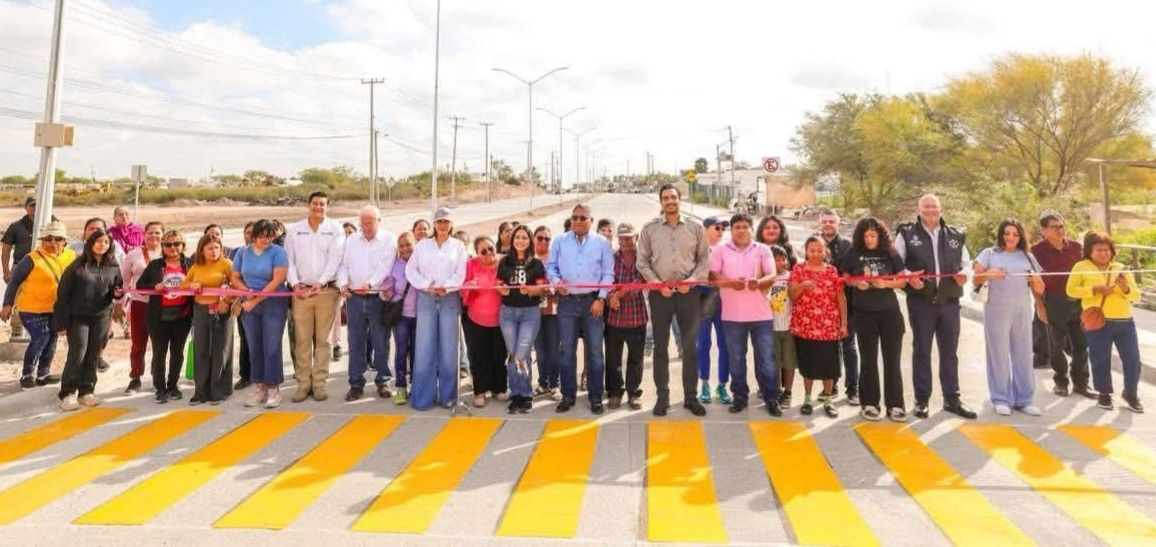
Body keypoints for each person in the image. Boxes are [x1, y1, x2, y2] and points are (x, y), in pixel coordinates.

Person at [895, 194, 977, 420]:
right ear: (919, 209)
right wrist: (909, 276)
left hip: (950, 302)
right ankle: (922, 399)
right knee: (922, 350)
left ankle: (952, 398)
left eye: (935, 207)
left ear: (941, 210)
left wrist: (965, 274)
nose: (931, 211)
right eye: (926, 207)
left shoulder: (955, 235)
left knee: (949, 352)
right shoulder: (906, 234)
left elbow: (967, 262)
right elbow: (897, 263)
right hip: (921, 302)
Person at [637, 184, 711, 417]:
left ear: (680, 199)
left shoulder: (695, 228)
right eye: (666, 197)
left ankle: (691, 397)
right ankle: (663, 397)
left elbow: (704, 260)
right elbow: (642, 262)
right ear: (661, 202)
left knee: (690, 348)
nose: (670, 201)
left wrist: (690, 281)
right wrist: (658, 284)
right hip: (661, 296)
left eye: (674, 197)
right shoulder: (649, 230)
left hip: (689, 295)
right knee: (660, 348)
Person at [709, 213, 781, 416]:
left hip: (762, 315)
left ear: (751, 229)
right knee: (737, 359)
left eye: (745, 226)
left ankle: (771, 398)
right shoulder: (720, 250)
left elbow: (772, 275)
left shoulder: (763, 249)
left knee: (766, 359)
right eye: (737, 227)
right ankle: (740, 397)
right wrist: (730, 283)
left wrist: (760, 282)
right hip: (732, 317)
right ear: (731, 230)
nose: (741, 230)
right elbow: (713, 275)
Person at [547, 203, 615, 414]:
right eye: (574, 217)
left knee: (595, 351)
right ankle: (568, 395)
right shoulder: (560, 241)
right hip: (567, 303)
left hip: (592, 303)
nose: (578, 221)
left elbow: (608, 273)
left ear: (591, 221)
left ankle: (596, 397)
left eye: (582, 218)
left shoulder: (602, 243)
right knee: (566, 351)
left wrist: (601, 299)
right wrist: (557, 281)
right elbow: (551, 267)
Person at [973, 219, 1045, 417]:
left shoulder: (1027, 257)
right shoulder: (989, 253)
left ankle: (1024, 399)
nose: (1010, 237)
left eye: (1015, 234)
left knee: (1023, 353)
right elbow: (975, 279)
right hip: (996, 310)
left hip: (1021, 311)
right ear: (1001, 234)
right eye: (1006, 233)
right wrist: (989, 274)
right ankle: (1001, 398)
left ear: (1020, 236)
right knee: (998, 353)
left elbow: (1040, 289)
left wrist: (1036, 280)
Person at [1067, 231, 1143, 413]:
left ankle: (1131, 394)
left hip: (1125, 322)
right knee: (1100, 359)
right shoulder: (1080, 267)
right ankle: (1104, 393)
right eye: (1099, 250)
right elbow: (1071, 290)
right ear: (1089, 251)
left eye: (1107, 250)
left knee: (1133, 360)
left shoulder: (1121, 267)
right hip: (1098, 322)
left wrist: (1124, 288)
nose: (1104, 253)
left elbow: (1136, 295)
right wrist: (1094, 289)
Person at [841, 218, 908, 422]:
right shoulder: (853, 252)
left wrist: (887, 285)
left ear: (880, 235)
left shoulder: (890, 252)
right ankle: (869, 403)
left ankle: (895, 405)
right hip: (864, 313)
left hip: (889, 313)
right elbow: (844, 276)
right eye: (866, 235)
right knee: (868, 360)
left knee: (892, 360)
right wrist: (855, 283)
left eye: (873, 235)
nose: (869, 239)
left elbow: (902, 280)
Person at [284, 191, 346, 403]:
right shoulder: (295, 230)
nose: (318, 207)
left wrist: (321, 281)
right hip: (302, 293)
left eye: (322, 204)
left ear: (328, 207)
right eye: (315, 203)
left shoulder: (335, 229)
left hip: (326, 292)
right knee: (302, 340)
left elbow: (335, 259)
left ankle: (319, 383)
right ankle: (303, 383)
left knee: (323, 340)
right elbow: (289, 260)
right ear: (308, 205)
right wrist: (295, 284)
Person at [54, 228, 125, 411]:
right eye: (98, 241)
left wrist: (117, 292)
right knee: (78, 352)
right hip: (78, 317)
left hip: (101, 317)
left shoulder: (113, 266)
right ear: (91, 243)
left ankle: (87, 391)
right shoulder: (77, 265)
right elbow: (63, 295)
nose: (102, 245)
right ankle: (68, 393)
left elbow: (116, 289)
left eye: (106, 242)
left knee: (94, 353)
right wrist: (61, 323)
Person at [406, 207, 468, 410]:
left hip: (449, 298)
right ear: (434, 224)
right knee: (424, 347)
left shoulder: (458, 246)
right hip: (426, 298)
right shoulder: (423, 245)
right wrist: (427, 285)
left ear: (451, 224)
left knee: (449, 349)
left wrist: (446, 287)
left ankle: (449, 397)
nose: (442, 225)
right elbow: (411, 270)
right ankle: (423, 397)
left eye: (446, 222)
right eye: (439, 221)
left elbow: (461, 273)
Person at [0, 220, 73, 389]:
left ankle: (43, 374)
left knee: (52, 339)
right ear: (42, 240)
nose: (52, 243)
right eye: (48, 239)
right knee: (42, 337)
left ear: (64, 241)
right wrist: (7, 305)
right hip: (31, 309)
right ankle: (27, 375)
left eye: (57, 239)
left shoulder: (70, 256)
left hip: (55, 309)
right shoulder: (31, 259)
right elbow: (14, 282)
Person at [1031, 212, 1095, 399]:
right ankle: (1061, 382)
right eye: (1055, 227)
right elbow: (1032, 280)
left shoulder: (1076, 247)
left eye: (1062, 226)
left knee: (1081, 345)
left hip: (1078, 302)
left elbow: (1087, 273)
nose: (1060, 230)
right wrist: (1040, 306)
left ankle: (1081, 384)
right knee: (1056, 345)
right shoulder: (1036, 251)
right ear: (1044, 231)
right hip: (1053, 301)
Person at [338, 205, 397, 401]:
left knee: (381, 342)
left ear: (378, 221)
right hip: (354, 299)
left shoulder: (388, 239)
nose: (365, 227)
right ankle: (356, 383)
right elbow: (344, 265)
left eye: (369, 222)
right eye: (362, 223)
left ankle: (383, 381)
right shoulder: (351, 240)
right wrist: (343, 284)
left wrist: (370, 283)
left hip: (377, 299)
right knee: (355, 343)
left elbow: (386, 266)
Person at [231, 219, 290, 409]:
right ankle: (259, 387)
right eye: (262, 237)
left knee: (271, 347)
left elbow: (277, 280)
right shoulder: (243, 252)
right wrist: (246, 292)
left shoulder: (278, 252)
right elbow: (235, 276)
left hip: (272, 303)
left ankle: (274, 389)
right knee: (254, 346)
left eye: (270, 237)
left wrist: (254, 300)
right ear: (254, 235)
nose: (266, 241)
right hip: (250, 303)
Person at [789, 236, 847, 418]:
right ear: (806, 251)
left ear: (825, 251)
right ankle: (807, 399)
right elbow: (791, 295)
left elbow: (840, 298)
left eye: (820, 250)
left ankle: (828, 400)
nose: (816, 254)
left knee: (829, 366)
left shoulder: (832, 271)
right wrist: (801, 286)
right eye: (812, 250)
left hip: (828, 327)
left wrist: (843, 323)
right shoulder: (798, 269)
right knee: (808, 365)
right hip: (805, 326)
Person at [137, 229, 193, 404]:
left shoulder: (190, 264)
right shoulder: (155, 265)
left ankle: (173, 385)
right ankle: (160, 388)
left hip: (182, 316)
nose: (172, 247)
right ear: (163, 247)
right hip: (158, 318)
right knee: (159, 353)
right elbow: (140, 286)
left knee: (177, 353)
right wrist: (155, 285)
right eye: (168, 244)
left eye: (177, 243)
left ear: (183, 246)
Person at [496, 225, 547, 413]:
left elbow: (542, 288)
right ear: (512, 240)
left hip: (529, 313)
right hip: (508, 313)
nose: (520, 240)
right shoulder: (504, 262)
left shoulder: (536, 263)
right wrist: (503, 289)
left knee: (522, 354)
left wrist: (531, 289)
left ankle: (526, 394)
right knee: (511, 354)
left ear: (530, 240)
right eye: (517, 237)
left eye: (524, 237)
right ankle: (515, 393)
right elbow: (498, 284)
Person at [180, 233, 235, 405]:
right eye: (210, 248)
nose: (214, 251)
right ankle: (201, 391)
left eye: (217, 248)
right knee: (201, 349)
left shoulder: (227, 264)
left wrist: (226, 301)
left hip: (222, 310)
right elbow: (183, 285)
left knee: (221, 349)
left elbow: (236, 285)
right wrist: (192, 285)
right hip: (201, 310)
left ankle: (219, 390)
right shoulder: (196, 266)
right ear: (202, 251)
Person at [817, 209, 858, 405]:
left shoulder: (849, 246)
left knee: (849, 347)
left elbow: (853, 274)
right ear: (820, 224)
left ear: (838, 224)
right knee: (828, 349)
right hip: (822, 307)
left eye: (831, 221)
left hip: (847, 305)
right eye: (824, 221)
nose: (828, 224)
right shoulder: (815, 245)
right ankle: (830, 386)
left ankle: (853, 388)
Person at [461, 236, 509, 407]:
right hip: (477, 318)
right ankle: (480, 391)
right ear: (477, 254)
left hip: (502, 318)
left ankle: (499, 388)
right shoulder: (471, 264)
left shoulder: (504, 261)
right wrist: (469, 286)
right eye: (483, 251)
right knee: (479, 355)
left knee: (499, 354)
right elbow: (463, 290)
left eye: (490, 248)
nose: (488, 253)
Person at [605, 223, 647, 410]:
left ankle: (633, 392)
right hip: (615, 317)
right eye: (621, 238)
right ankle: (615, 392)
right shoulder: (611, 258)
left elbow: (642, 280)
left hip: (636, 316)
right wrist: (609, 298)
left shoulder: (643, 258)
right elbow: (605, 279)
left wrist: (619, 294)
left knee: (636, 358)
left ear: (636, 238)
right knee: (613, 358)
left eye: (629, 237)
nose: (625, 241)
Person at [120, 221, 163, 394]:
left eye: (158, 233)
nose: (154, 236)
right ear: (144, 234)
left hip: (162, 305)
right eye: (150, 232)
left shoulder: (169, 253)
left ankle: (157, 377)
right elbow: (125, 281)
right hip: (139, 304)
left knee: (159, 343)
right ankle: (136, 377)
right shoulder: (134, 254)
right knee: (138, 343)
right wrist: (121, 303)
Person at [696, 216, 731, 405]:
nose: (720, 231)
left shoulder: (728, 248)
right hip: (702, 295)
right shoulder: (696, 247)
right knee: (703, 343)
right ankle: (704, 383)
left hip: (724, 296)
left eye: (723, 229)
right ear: (706, 229)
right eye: (716, 228)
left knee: (725, 343)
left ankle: (723, 384)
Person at [385, 232, 418, 405]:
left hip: (421, 316)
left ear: (415, 245)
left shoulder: (422, 263)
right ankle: (400, 386)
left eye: (408, 244)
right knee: (401, 351)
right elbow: (389, 284)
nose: (405, 248)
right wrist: (387, 290)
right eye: (402, 246)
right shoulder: (395, 265)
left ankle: (415, 385)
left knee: (416, 352)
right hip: (401, 316)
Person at [531, 226, 562, 401]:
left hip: (552, 310)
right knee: (540, 351)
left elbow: (563, 279)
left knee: (553, 350)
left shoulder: (555, 258)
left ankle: (554, 384)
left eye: (547, 239)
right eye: (540, 238)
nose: (543, 241)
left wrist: (553, 288)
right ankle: (542, 383)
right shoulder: (528, 259)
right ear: (534, 238)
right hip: (532, 311)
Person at [2, 196, 37, 340]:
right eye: (32, 205)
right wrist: (6, 270)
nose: (35, 208)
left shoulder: (51, 223)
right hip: (20, 268)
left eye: (38, 205)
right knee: (17, 301)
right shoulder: (16, 226)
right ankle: (17, 332)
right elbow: (6, 249)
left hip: (44, 269)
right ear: (26, 207)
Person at [767, 245, 797, 407]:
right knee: (775, 363)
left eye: (783, 259)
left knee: (789, 362)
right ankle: (776, 391)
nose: (781, 263)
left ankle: (788, 392)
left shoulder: (791, 276)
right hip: (770, 328)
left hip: (789, 327)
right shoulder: (765, 278)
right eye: (776, 260)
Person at [232, 222, 254, 390]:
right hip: (242, 302)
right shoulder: (237, 253)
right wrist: (239, 299)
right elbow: (233, 278)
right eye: (247, 232)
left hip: (262, 302)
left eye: (254, 232)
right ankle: (245, 375)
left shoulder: (269, 253)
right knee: (245, 340)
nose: (250, 235)